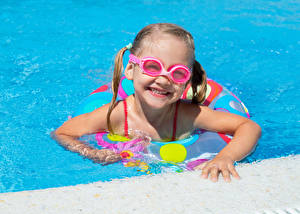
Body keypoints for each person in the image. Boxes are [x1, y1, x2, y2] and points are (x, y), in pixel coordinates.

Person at [52, 23, 261, 182]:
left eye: (177, 73)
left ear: (187, 82)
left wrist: (225, 157)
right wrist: (90, 152)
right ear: (130, 70)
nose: (163, 79)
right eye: (152, 67)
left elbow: (248, 126)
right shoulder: (116, 115)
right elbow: (62, 132)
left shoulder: (190, 116)